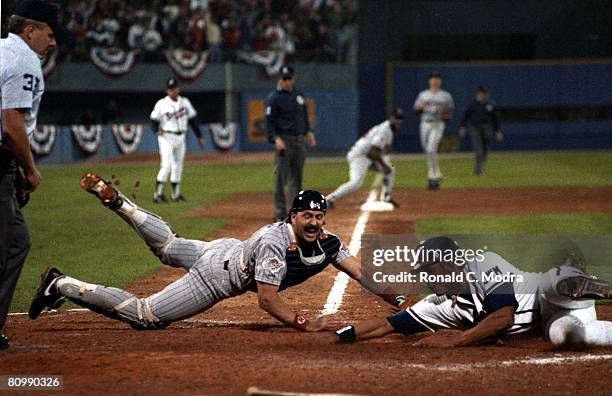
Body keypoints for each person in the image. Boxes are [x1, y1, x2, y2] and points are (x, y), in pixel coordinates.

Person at [29, 173, 404, 331]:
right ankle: (62, 284)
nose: (314, 223)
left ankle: (122, 204)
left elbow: (362, 273)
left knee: (168, 246)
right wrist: (305, 323)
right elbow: (268, 302)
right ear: (293, 216)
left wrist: (399, 299)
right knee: (147, 316)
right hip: (217, 278)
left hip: (225, 250)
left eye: (319, 217)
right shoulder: (277, 242)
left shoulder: (328, 242)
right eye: (307, 216)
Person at [334, 236, 612, 348]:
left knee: (555, 282)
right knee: (566, 335)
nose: (426, 280)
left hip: (553, 295)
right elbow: (386, 325)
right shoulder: (441, 305)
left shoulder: (484, 263)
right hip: (553, 320)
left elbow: (504, 316)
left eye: (428, 271)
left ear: (448, 263)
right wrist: (344, 336)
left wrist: (457, 340)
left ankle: (591, 281)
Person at [0, 0, 65, 350]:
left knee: (16, 242)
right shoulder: (25, 59)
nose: (52, 43)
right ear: (31, 31)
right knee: (10, 246)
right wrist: (30, 170)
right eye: (49, 35)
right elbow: (11, 125)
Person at [326, 109, 405, 208]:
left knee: (391, 170)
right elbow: (374, 152)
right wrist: (384, 165)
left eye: (401, 119)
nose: (399, 121)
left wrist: (386, 164)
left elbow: (379, 151)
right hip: (360, 156)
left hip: (368, 157)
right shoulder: (385, 129)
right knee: (356, 182)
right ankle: (329, 199)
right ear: (391, 118)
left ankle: (386, 196)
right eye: (397, 118)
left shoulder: (389, 129)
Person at [266, 65, 316, 222]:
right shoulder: (274, 97)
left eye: (289, 78)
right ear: (280, 79)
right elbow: (269, 123)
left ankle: (295, 213)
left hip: (299, 140)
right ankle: (280, 214)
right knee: (281, 179)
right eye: (284, 79)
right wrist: (275, 139)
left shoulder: (298, 95)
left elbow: (303, 115)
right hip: (284, 139)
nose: (287, 81)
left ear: (293, 79)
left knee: (297, 178)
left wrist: (308, 132)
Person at [150, 78, 205, 203]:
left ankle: (176, 195)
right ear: (167, 90)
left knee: (178, 165)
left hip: (181, 137)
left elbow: (192, 121)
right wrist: (155, 130)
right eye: (170, 88)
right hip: (166, 137)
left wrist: (199, 136)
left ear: (178, 88)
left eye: (174, 87)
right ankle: (158, 195)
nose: (173, 90)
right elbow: (153, 120)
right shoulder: (161, 104)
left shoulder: (185, 102)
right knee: (166, 165)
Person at [413, 71, 454, 190]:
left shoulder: (446, 96)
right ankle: (436, 173)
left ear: (440, 81)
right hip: (425, 123)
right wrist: (423, 106)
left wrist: (442, 112)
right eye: (433, 78)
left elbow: (449, 113)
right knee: (427, 150)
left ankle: (432, 174)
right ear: (429, 81)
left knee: (431, 148)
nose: (435, 81)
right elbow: (416, 110)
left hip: (438, 123)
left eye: (437, 78)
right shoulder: (423, 95)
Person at [458, 86, 504, 176]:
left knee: (485, 149)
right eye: (483, 93)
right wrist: (462, 127)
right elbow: (465, 115)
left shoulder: (490, 104)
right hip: (474, 127)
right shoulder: (472, 104)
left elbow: (496, 118)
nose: (485, 95)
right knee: (479, 149)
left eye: (486, 93)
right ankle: (479, 171)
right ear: (479, 93)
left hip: (487, 127)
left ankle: (479, 167)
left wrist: (498, 131)